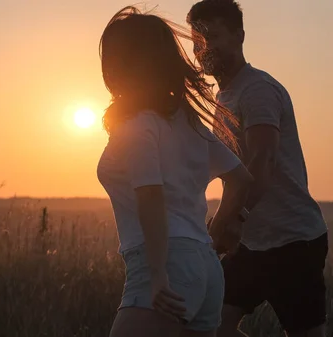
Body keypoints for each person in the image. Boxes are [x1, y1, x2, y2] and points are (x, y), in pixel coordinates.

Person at [97, 6, 253, 337]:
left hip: (164, 266)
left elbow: (150, 195)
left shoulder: (137, 125)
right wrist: (213, 237)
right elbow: (240, 180)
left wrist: (157, 276)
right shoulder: (189, 122)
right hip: (206, 269)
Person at [186, 1, 329, 337]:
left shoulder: (257, 90)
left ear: (240, 35)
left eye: (212, 37)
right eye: (196, 42)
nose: (202, 49)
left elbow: (261, 160)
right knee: (211, 326)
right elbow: (230, 170)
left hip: (293, 240)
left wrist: (233, 218)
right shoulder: (224, 97)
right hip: (252, 244)